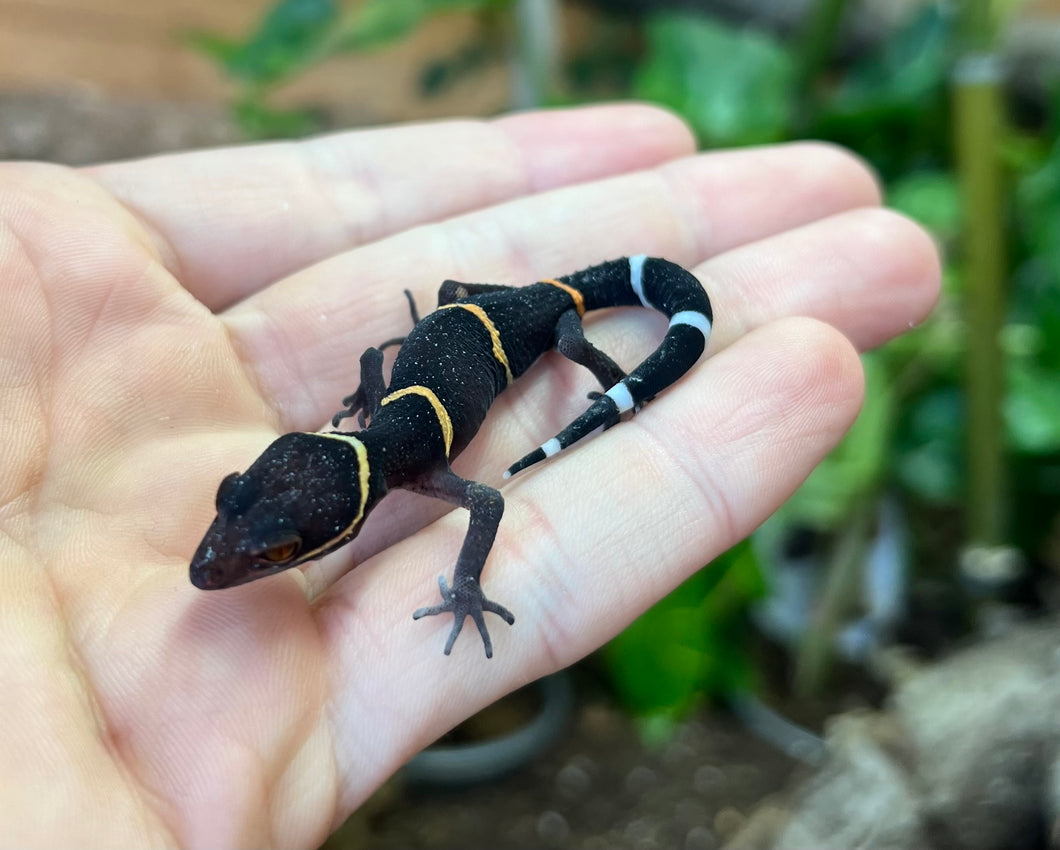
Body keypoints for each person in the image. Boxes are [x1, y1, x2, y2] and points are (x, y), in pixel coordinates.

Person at [0, 103, 938, 846]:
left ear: (342, 510)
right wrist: (377, 391)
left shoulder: (418, 468)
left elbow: (482, 493)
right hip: (463, 325)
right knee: (443, 324)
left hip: (542, 319)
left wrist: (600, 396)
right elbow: (426, 424)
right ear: (303, 456)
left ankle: (626, 380)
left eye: (270, 550)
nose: (223, 562)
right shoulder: (390, 463)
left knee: (581, 348)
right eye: (245, 522)